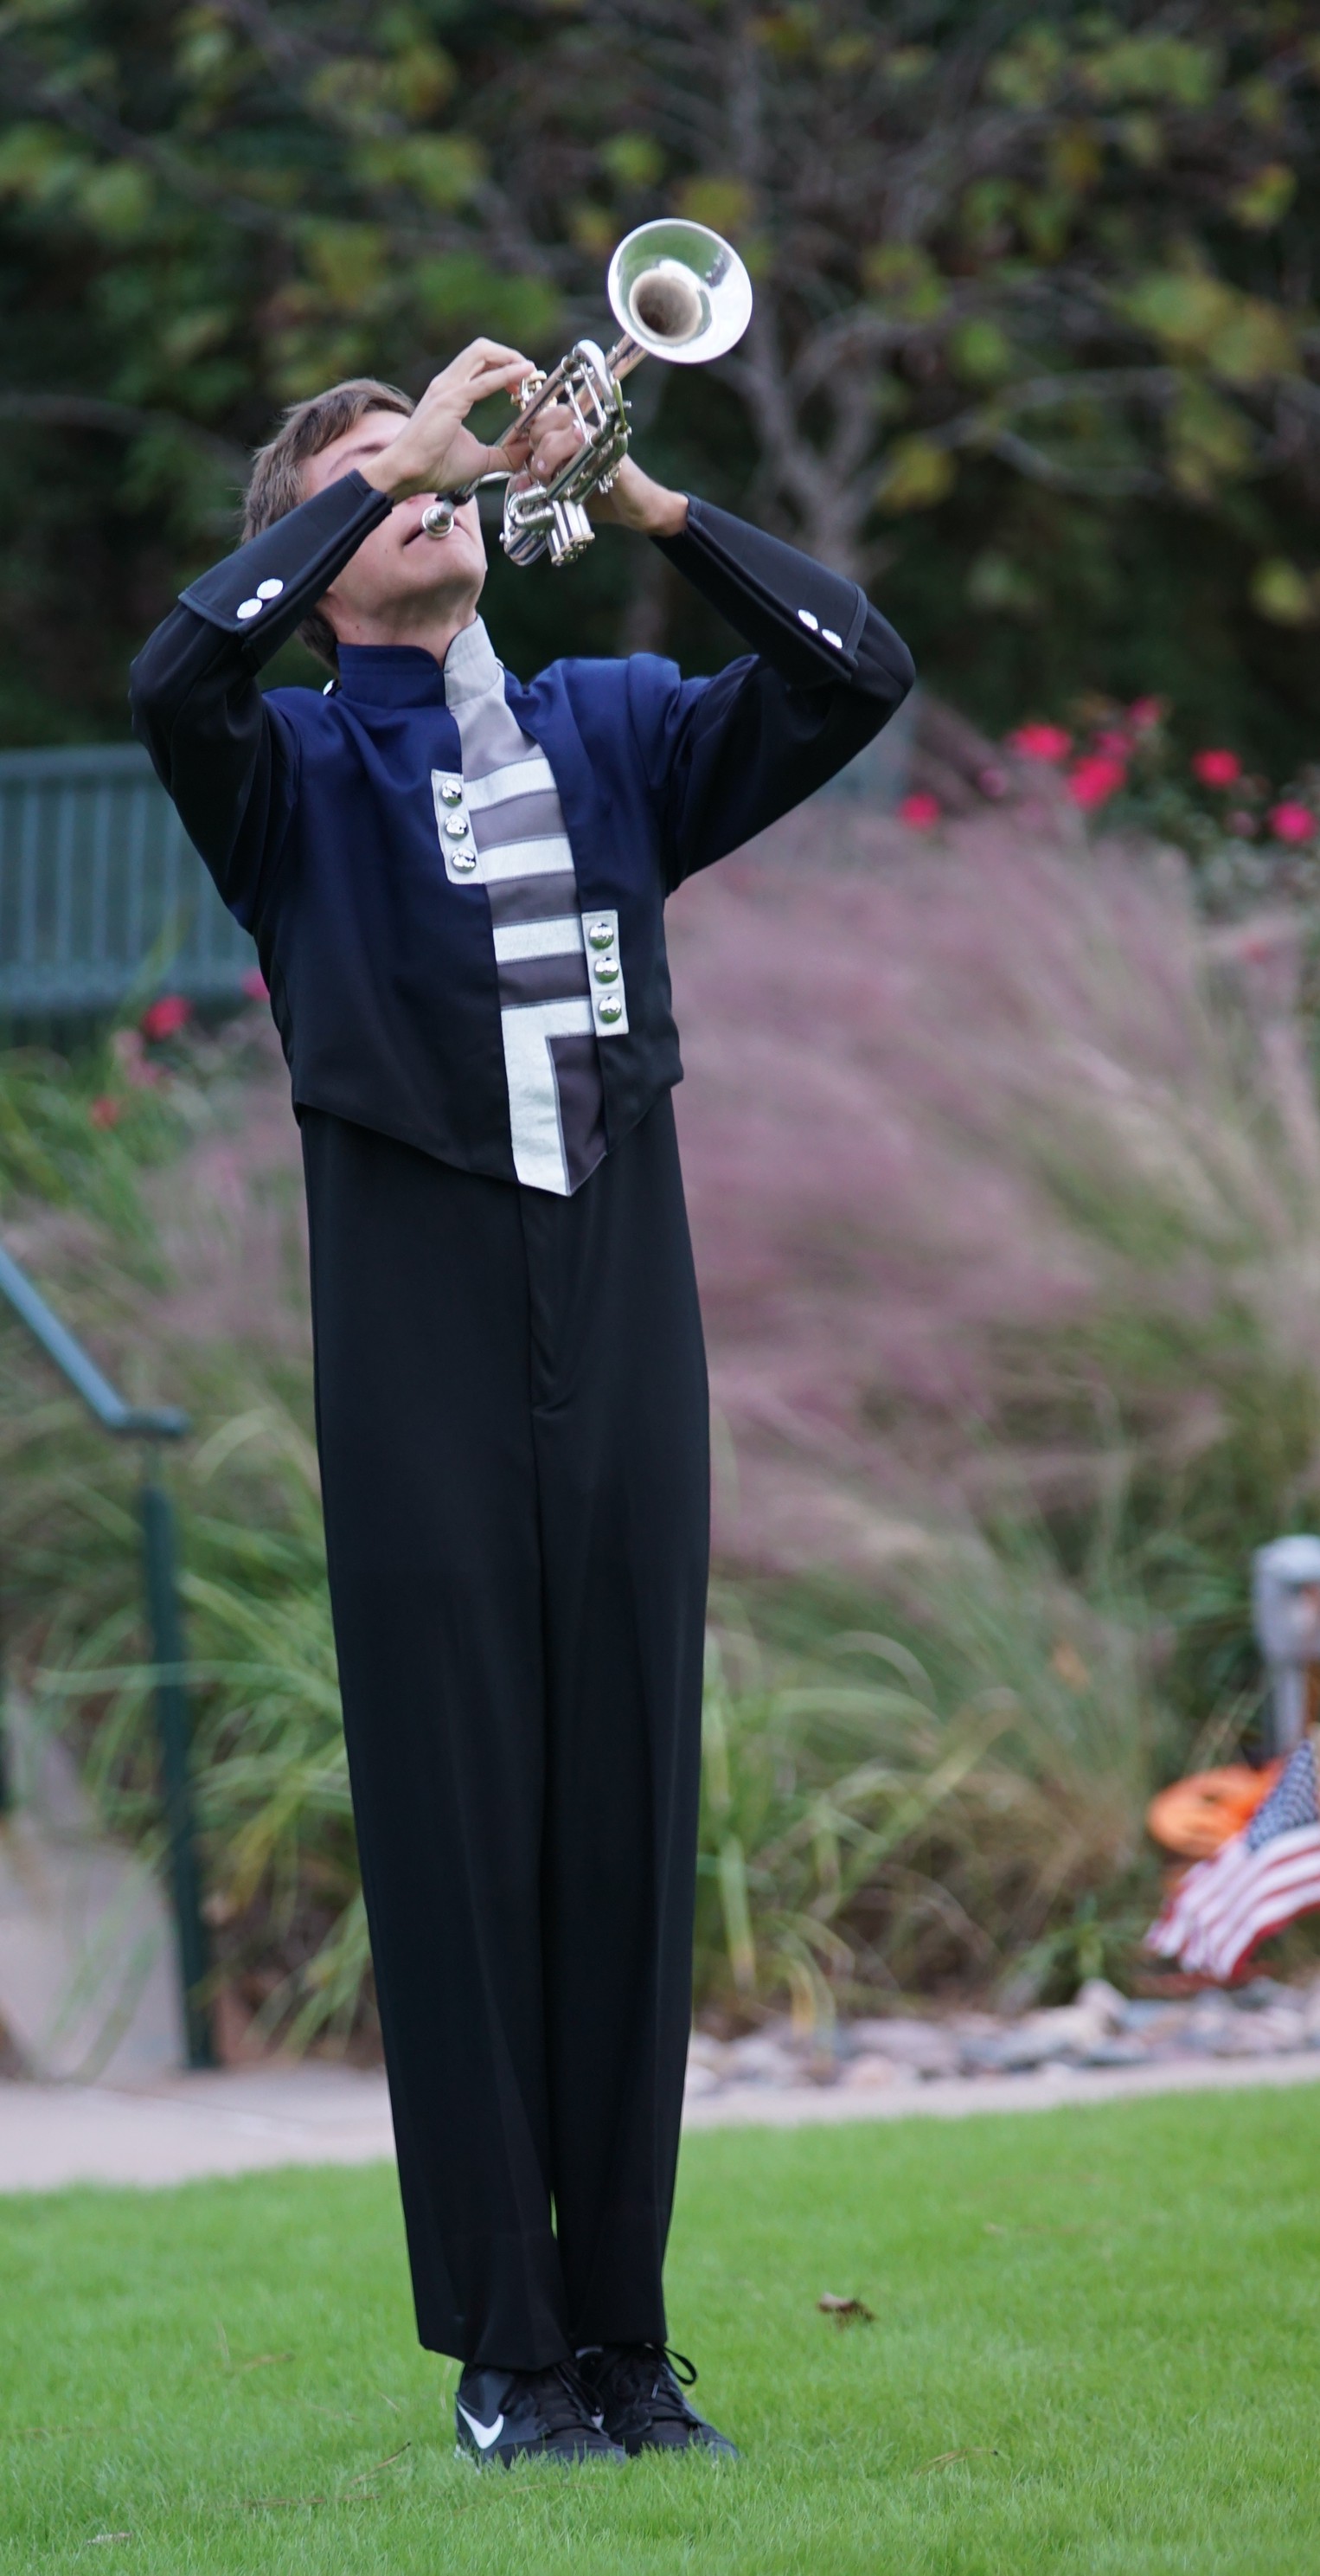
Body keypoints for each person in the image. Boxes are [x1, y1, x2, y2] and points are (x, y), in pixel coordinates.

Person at [130, 341, 914, 2469]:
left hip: (624, 1308)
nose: (431, 485)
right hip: (418, 1341)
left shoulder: (610, 729)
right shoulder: (290, 768)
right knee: (459, 1834)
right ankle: (507, 2354)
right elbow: (171, 676)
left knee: (626, 1824)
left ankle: (627, 2346)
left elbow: (855, 672)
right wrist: (371, 468)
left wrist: (647, 505)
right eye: (377, 476)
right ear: (313, 554)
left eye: (441, 467)